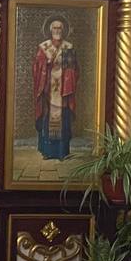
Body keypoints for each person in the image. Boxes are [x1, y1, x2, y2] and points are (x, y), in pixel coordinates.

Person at [33, 17, 77, 160]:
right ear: (50, 30)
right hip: (47, 90)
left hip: (62, 90)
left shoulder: (68, 47)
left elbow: (73, 70)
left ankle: (62, 152)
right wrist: (45, 63)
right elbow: (36, 67)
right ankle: (47, 152)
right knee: (47, 120)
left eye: (59, 28)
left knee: (63, 120)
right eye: (55, 28)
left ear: (63, 30)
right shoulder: (44, 47)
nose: (57, 30)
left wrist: (67, 71)